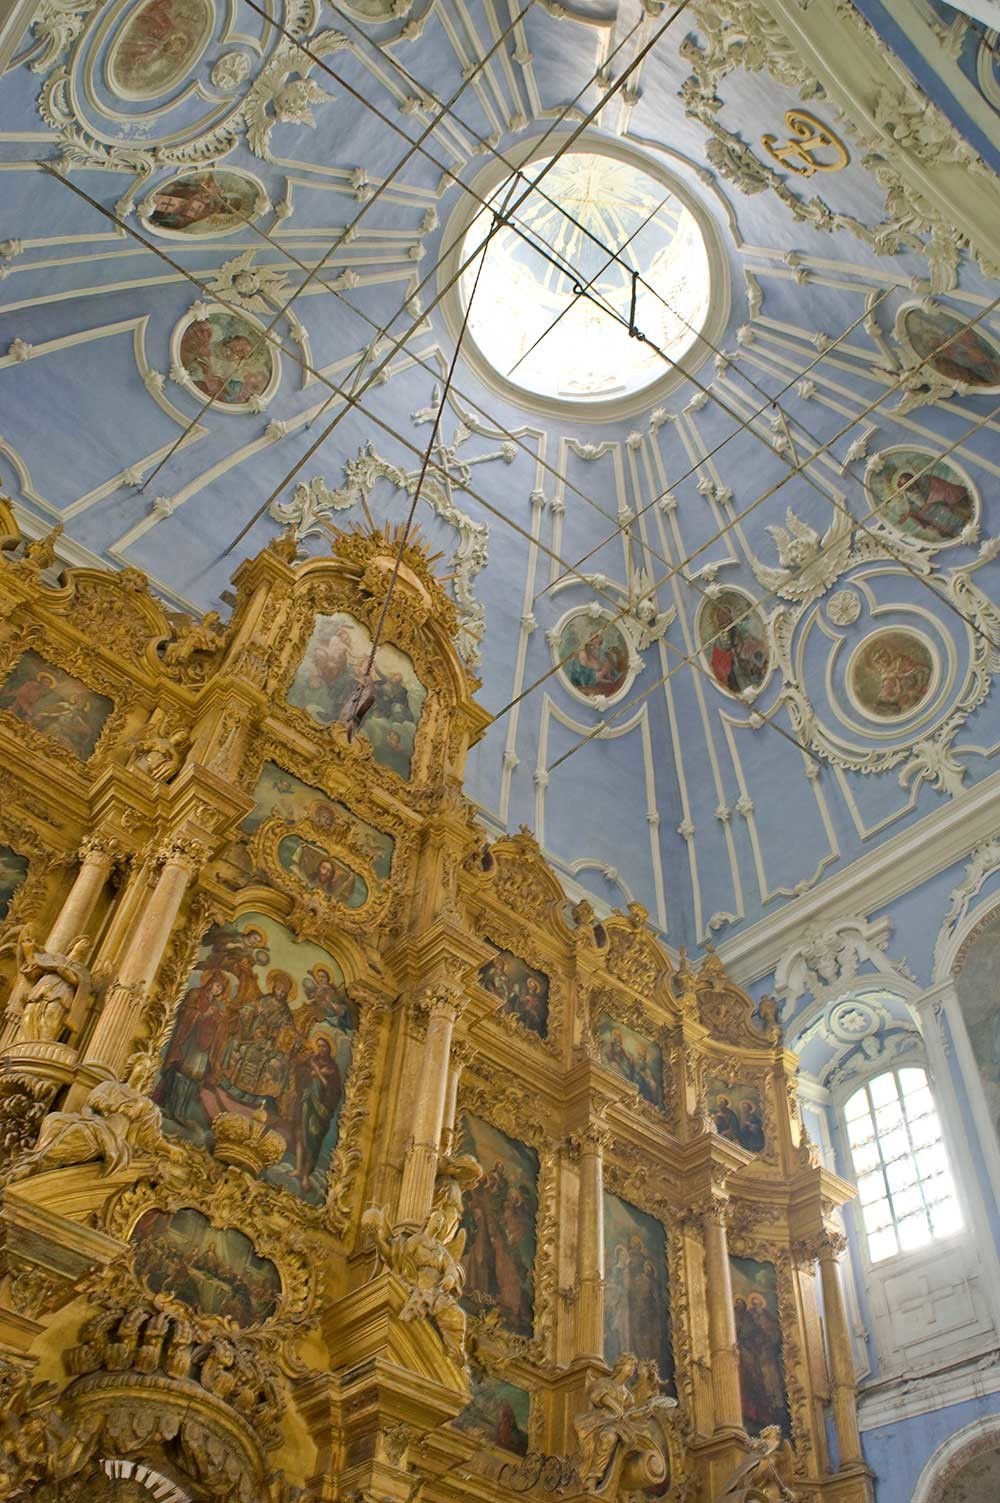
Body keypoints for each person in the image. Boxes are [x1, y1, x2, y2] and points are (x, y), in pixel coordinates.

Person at [295, 1035, 342, 1191]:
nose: (321, 1049)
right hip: (308, 1101)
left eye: (324, 1046)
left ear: (329, 1049)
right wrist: (312, 1072)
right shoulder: (312, 1061)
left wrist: (318, 1073)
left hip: (321, 1108)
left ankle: (307, 1175)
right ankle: (298, 1168)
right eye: (319, 1046)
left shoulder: (333, 1068)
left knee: (314, 1138)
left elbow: (332, 1089)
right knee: (301, 1133)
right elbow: (301, 1075)